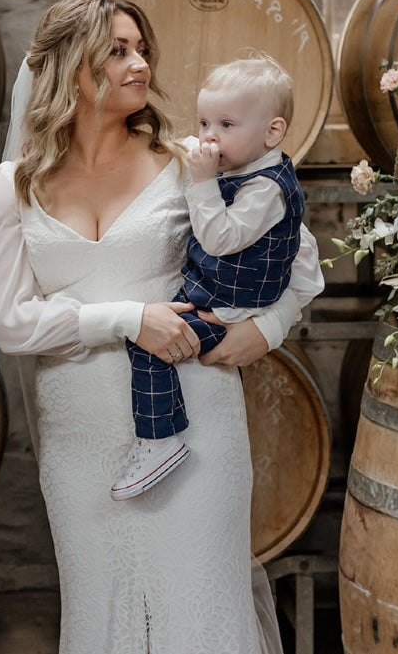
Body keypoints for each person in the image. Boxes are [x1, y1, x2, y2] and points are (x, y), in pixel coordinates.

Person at [0, 0, 323, 654]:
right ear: (69, 67)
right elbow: (10, 324)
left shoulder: (190, 161)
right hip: (79, 436)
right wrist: (129, 318)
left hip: (195, 423)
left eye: (141, 48)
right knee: (101, 610)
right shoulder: (5, 187)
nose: (140, 63)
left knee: (199, 608)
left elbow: (300, 267)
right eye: (118, 50)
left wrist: (265, 331)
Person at [114, 54, 304, 501]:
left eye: (225, 125)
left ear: (272, 132)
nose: (208, 138)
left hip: (231, 306)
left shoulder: (266, 186)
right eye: (203, 123)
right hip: (214, 292)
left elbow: (221, 238)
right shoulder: (245, 167)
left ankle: (161, 440)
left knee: (146, 348)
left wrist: (201, 182)